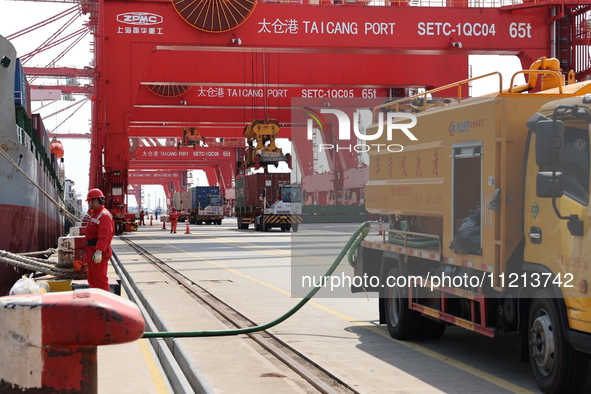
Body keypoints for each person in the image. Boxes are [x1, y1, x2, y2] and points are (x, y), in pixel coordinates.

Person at [81, 188, 114, 291]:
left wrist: (99, 251)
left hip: (98, 254)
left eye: (89, 201)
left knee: (100, 282)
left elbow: (105, 235)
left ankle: (105, 305)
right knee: (92, 281)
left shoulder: (104, 215)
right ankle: (96, 303)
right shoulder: (96, 214)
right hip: (92, 253)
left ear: (95, 201)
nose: (88, 204)